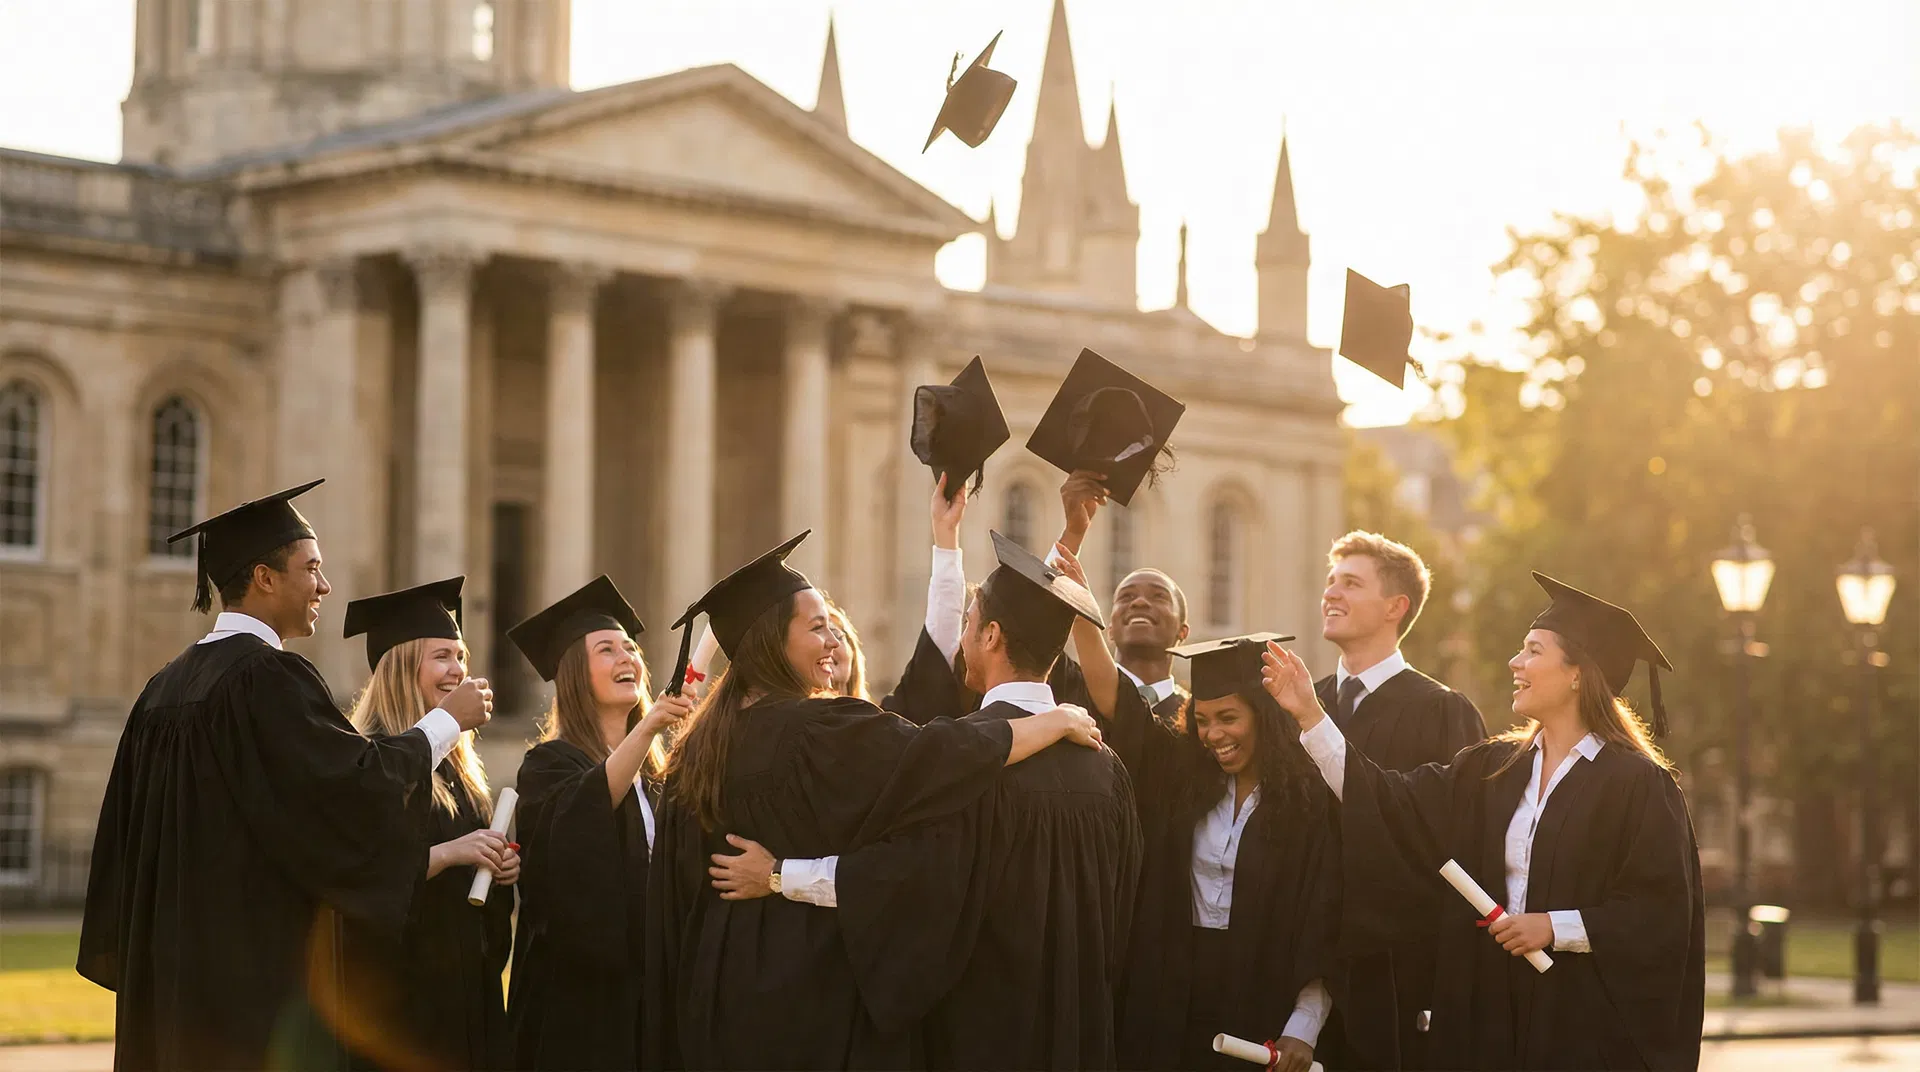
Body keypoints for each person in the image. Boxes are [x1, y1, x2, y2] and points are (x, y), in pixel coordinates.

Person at [644, 531, 1106, 1070]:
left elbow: (672, 907)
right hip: (808, 996)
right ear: (773, 641)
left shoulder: (695, 751)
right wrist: (1055, 719)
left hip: (716, 991)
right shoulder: (819, 731)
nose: (834, 643)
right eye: (817, 628)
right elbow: (937, 753)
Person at [77, 480, 493, 1071]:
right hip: (248, 983)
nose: (323, 586)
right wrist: (445, 724)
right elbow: (351, 789)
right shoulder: (267, 679)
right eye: (312, 569)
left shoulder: (161, 690)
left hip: (169, 979)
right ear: (266, 578)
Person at [1262, 572, 1706, 1071]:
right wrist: (1310, 717)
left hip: (1580, 1021)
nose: (1515, 662)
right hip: (1489, 1012)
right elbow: (1387, 801)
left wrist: (1554, 927)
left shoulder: (1637, 784)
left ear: (1579, 672)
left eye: (1534, 650)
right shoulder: (1493, 769)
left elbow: (1661, 915)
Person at [1047, 531, 1335, 1072]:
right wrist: (1084, 608)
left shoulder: (1305, 805)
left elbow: (1323, 916)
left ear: (1263, 719)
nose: (1213, 734)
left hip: (1260, 994)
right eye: (1201, 720)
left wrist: (1305, 1025)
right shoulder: (1183, 777)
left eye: (1228, 718)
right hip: (1168, 990)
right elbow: (1117, 702)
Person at [1313, 530, 1488, 1070]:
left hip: (1399, 974)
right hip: (1302, 956)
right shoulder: (1303, 701)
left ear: (1396, 606)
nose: (1331, 593)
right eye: (1330, 582)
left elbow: (1455, 840)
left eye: (1351, 583)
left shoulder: (1442, 711)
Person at [503, 575, 691, 1071]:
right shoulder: (549, 765)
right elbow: (572, 837)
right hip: (577, 1008)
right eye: (607, 649)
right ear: (574, 674)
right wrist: (649, 725)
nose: (627, 657)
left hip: (651, 999)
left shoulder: (657, 776)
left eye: (631, 647)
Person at [339, 575, 518, 1071]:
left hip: (464, 993)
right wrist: (452, 854)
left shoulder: (460, 765)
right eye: (442, 656)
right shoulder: (368, 756)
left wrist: (496, 869)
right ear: (400, 664)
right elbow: (361, 874)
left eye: (461, 656)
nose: (457, 670)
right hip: (397, 1000)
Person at [1056, 469, 1191, 724]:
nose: (1139, 602)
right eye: (1126, 597)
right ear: (1109, 630)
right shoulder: (1070, 694)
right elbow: (1027, 633)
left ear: (1183, 632)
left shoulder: (1196, 719)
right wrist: (1073, 534)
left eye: (1159, 597)